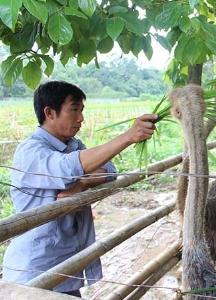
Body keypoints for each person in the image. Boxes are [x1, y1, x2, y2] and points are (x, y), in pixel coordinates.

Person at [2, 81, 157, 297]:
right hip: (36, 267)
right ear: (50, 112)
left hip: (67, 264)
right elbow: (67, 169)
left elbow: (109, 170)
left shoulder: (74, 145)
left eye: (81, 110)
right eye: (74, 109)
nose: (81, 118)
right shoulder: (30, 151)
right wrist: (128, 136)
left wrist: (81, 183)